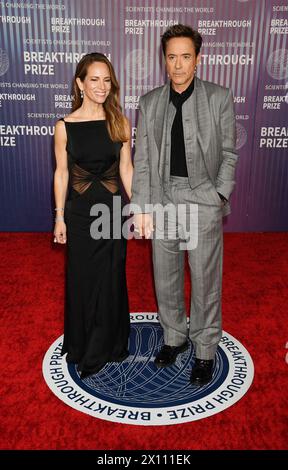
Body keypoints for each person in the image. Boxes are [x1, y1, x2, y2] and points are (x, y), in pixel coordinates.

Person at [131, 25, 238, 385]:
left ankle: (205, 348)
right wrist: (142, 208)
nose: (178, 65)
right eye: (171, 57)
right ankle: (174, 338)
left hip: (203, 198)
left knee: (206, 279)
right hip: (163, 197)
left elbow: (228, 154)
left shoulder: (219, 97)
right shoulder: (149, 103)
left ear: (198, 58)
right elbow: (142, 161)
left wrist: (218, 195)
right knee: (166, 276)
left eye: (185, 57)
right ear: (164, 59)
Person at [53, 52, 133, 379]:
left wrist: (139, 207)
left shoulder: (120, 122)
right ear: (80, 84)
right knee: (83, 279)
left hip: (112, 212)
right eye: (94, 79)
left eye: (106, 80)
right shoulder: (64, 126)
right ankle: (82, 342)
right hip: (81, 214)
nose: (102, 86)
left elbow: (126, 169)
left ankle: (107, 345)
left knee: (111, 277)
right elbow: (62, 173)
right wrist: (59, 217)